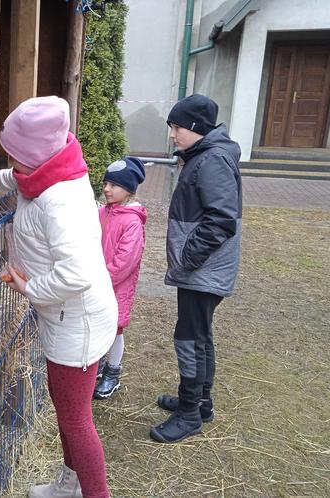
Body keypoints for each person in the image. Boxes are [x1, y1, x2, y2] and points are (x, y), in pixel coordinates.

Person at [0, 96, 116, 498]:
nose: (13, 165)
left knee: (76, 420)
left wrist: (29, 287)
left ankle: (94, 494)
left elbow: (76, 274)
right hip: (65, 315)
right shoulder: (44, 171)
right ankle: (70, 486)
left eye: (17, 156)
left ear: (37, 155)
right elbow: (5, 180)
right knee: (68, 410)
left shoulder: (59, 200)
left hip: (76, 320)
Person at [150, 93, 242, 443]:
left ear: (194, 127)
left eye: (176, 128)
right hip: (204, 268)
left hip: (203, 269)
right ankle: (200, 402)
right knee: (200, 335)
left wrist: (187, 258)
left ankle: (189, 414)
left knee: (188, 338)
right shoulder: (205, 156)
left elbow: (221, 220)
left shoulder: (213, 161)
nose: (173, 134)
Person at [93, 157, 147, 400]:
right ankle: (99, 365)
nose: (107, 189)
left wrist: (101, 280)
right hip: (97, 282)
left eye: (114, 185)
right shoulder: (102, 212)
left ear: (129, 190)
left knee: (114, 329)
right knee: (97, 325)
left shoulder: (132, 222)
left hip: (115, 287)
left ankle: (113, 372)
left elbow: (125, 262)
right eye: (106, 183)